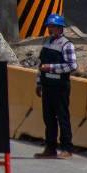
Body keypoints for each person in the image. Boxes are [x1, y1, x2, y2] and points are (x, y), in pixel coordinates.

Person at [35, 14, 78, 159]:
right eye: (48, 27)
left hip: (60, 87)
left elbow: (72, 66)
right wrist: (39, 83)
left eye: (52, 27)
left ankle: (67, 148)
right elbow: (41, 65)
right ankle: (50, 148)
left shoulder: (67, 45)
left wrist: (52, 68)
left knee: (62, 117)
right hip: (47, 86)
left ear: (59, 28)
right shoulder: (47, 43)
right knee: (48, 119)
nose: (49, 29)